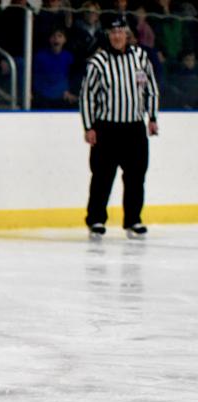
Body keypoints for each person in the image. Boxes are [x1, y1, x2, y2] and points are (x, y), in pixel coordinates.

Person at [80, 14, 159, 240]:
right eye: (113, 32)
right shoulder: (99, 62)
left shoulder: (141, 57)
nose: (117, 36)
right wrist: (89, 126)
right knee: (102, 177)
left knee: (136, 177)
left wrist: (152, 118)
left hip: (134, 129)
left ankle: (133, 219)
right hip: (107, 129)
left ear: (127, 34)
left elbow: (151, 89)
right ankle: (96, 219)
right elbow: (87, 96)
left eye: (120, 31)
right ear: (108, 35)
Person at [33, 27, 76, 107]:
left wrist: (69, 91)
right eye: (53, 36)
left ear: (65, 40)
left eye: (59, 36)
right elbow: (35, 76)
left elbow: (72, 76)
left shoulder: (68, 57)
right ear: (49, 39)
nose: (56, 39)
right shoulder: (40, 56)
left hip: (62, 97)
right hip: (43, 97)